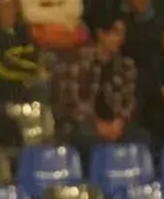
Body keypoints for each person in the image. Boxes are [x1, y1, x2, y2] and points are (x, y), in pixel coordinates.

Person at [53, 15, 137, 147]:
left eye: (122, 34)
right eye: (115, 33)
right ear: (101, 34)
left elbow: (129, 101)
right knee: (85, 138)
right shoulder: (77, 61)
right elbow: (71, 103)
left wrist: (118, 122)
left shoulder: (126, 65)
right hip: (82, 124)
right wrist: (96, 125)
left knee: (139, 137)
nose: (120, 39)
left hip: (114, 124)